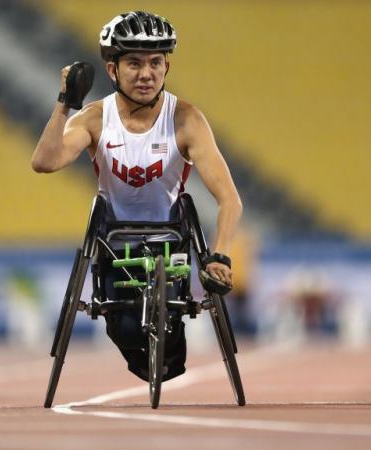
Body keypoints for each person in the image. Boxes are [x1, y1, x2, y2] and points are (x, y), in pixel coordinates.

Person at [32, 11, 242, 381]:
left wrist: (220, 255)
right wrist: (65, 102)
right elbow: (44, 162)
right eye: (134, 63)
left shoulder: (187, 119)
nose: (146, 74)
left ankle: (168, 348)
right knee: (127, 331)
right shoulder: (95, 118)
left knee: (170, 343)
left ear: (166, 66)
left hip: (171, 237)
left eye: (155, 63)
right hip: (114, 241)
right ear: (112, 69)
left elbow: (229, 199)